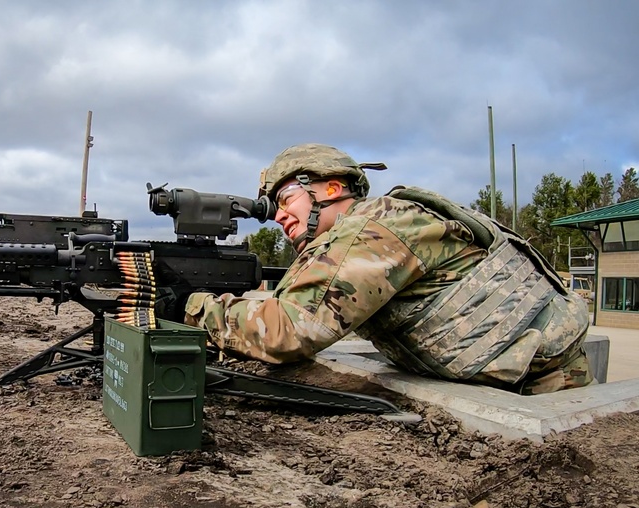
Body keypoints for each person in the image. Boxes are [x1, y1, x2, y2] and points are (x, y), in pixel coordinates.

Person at [182, 143, 592, 395]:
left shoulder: (374, 227)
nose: (279, 216)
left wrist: (191, 307)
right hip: (522, 380)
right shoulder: (359, 233)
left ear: (331, 188)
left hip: (542, 390)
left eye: (286, 198)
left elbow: (289, 331)